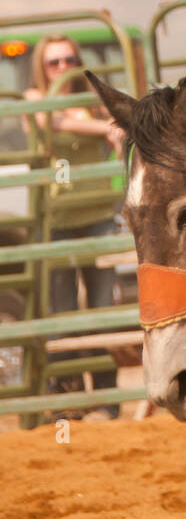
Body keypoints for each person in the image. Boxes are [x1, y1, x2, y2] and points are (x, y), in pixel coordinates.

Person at [23, 36, 125, 417]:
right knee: (62, 313)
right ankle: (67, 404)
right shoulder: (35, 98)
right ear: (42, 68)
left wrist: (113, 133)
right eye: (54, 62)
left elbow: (120, 123)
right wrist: (104, 129)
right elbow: (52, 118)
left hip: (97, 215)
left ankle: (105, 402)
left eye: (70, 59)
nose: (63, 68)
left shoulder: (92, 100)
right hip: (56, 220)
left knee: (99, 311)